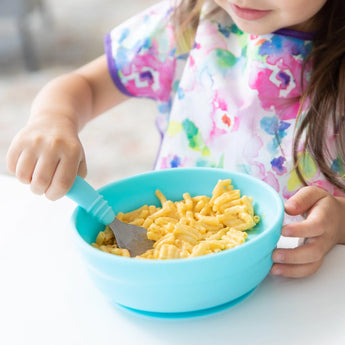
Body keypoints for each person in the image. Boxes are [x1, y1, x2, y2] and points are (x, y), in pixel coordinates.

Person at [6, 0, 345, 278]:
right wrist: (53, 119)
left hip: (299, 291)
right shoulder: (187, 21)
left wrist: (339, 222)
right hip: (170, 280)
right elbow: (86, 85)